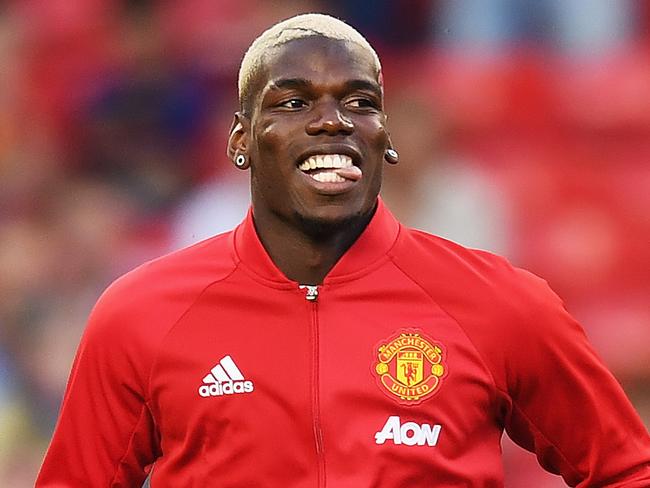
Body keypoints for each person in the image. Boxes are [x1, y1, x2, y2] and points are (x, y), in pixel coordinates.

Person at [37, 13, 650, 487]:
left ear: (386, 138)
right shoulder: (141, 314)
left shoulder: (501, 303)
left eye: (360, 102)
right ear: (241, 141)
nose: (333, 121)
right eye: (294, 102)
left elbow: (626, 469)